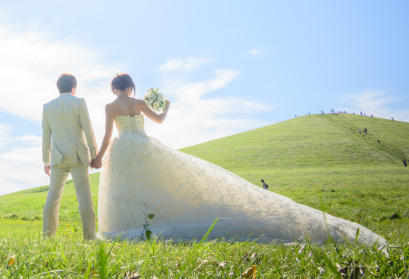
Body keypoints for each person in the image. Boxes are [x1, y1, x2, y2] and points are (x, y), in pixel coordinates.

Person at [92, 73, 385, 247]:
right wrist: (166, 108)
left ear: (113, 89)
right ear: (131, 87)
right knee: (159, 183)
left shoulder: (109, 107)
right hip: (144, 145)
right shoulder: (139, 103)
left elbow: (106, 136)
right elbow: (159, 121)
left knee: (128, 191)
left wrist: (98, 158)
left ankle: (126, 226)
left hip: (122, 149)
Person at [41, 73, 99, 240]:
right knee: (84, 197)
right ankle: (90, 237)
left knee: (52, 198)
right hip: (78, 156)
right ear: (74, 88)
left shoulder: (47, 106)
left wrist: (47, 160)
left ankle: (47, 239)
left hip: (58, 158)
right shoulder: (79, 102)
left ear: (58, 88)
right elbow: (88, 130)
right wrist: (94, 154)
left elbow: (46, 136)